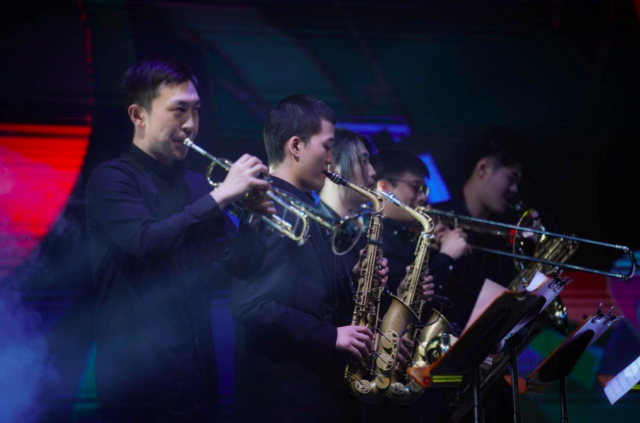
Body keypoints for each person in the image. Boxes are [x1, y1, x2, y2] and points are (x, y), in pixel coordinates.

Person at [86, 57, 273, 422]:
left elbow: (241, 266)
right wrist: (222, 196)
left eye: (196, 111)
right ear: (138, 115)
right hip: (137, 388)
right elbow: (147, 243)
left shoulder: (196, 185)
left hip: (198, 381)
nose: (190, 124)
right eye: (178, 110)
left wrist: (254, 220)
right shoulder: (111, 178)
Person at [229, 96, 389, 423]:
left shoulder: (302, 207)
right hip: (287, 399)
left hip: (312, 392)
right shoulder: (271, 207)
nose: (331, 158)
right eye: (327, 147)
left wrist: (356, 277)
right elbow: (250, 304)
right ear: (296, 146)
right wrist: (331, 335)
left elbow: (303, 293)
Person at [437, 127, 530, 423]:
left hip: (492, 383)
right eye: (511, 178)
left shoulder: (506, 238)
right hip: (444, 382)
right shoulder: (436, 220)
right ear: (483, 168)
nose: (514, 190)